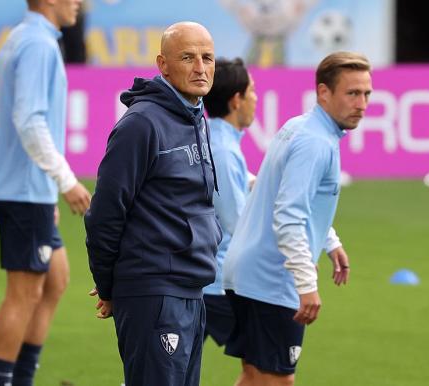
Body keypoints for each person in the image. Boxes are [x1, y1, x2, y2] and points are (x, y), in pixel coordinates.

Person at [222, 51, 371, 386]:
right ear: (323, 93)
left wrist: (329, 241)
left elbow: (280, 192)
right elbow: (288, 216)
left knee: (253, 376)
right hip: (271, 280)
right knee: (278, 380)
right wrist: (306, 284)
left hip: (245, 272)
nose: (362, 103)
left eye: (366, 94)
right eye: (352, 93)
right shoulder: (315, 143)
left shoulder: (299, 127)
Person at [85, 21, 221, 386]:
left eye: (207, 58)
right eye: (188, 58)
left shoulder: (196, 116)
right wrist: (109, 284)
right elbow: (104, 212)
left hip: (191, 288)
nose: (200, 68)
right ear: (162, 64)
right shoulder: (141, 124)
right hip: (155, 290)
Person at [0, 0, 91, 384]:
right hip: (23, 190)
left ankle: (20, 378)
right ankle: (0, 380)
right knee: (24, 293)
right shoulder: (37, 44)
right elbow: (29, 121)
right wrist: (65, 180)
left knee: (56, 279)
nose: (79, 3)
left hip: (30, 188)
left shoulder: (30, 38)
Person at [201, 57, 256, 347]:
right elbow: (238, 223)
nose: (256, 99)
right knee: (266, 364)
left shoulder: (215, 139)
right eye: (252, 91)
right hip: (218, 283)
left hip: (208, 279)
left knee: (168, 371)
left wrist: (251, 182)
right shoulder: (223, 149)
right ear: (236, 100)